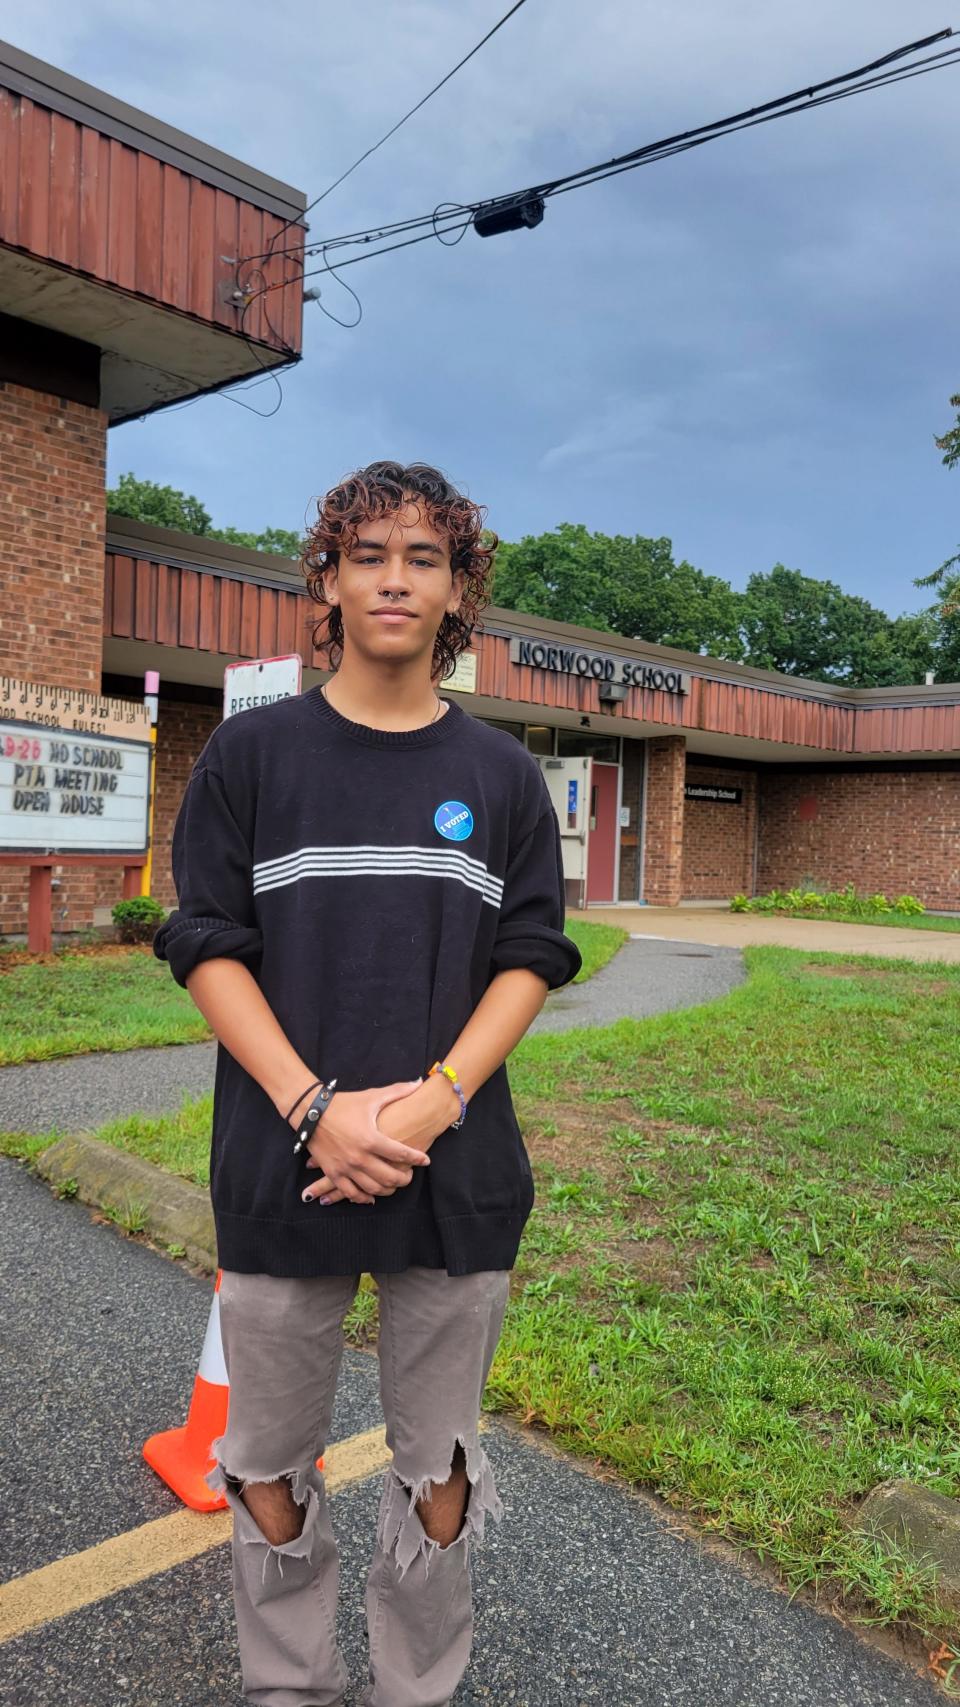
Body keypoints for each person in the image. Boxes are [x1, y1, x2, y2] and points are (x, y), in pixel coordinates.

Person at [153, 459, 581, 1707]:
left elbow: (534, 954)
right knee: (269, 1461)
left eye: (425, 558)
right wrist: (316, 1110)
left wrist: (434, 1101)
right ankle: (290, 1684)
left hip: (457, 1176)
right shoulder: (251, 757)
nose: (396, 579)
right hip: (285, 1160)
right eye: (370, 555)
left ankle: (414, 1688)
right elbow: (206, 944)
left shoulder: (501, 776)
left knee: (436, 1472)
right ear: (327, 580)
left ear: (460, 593)